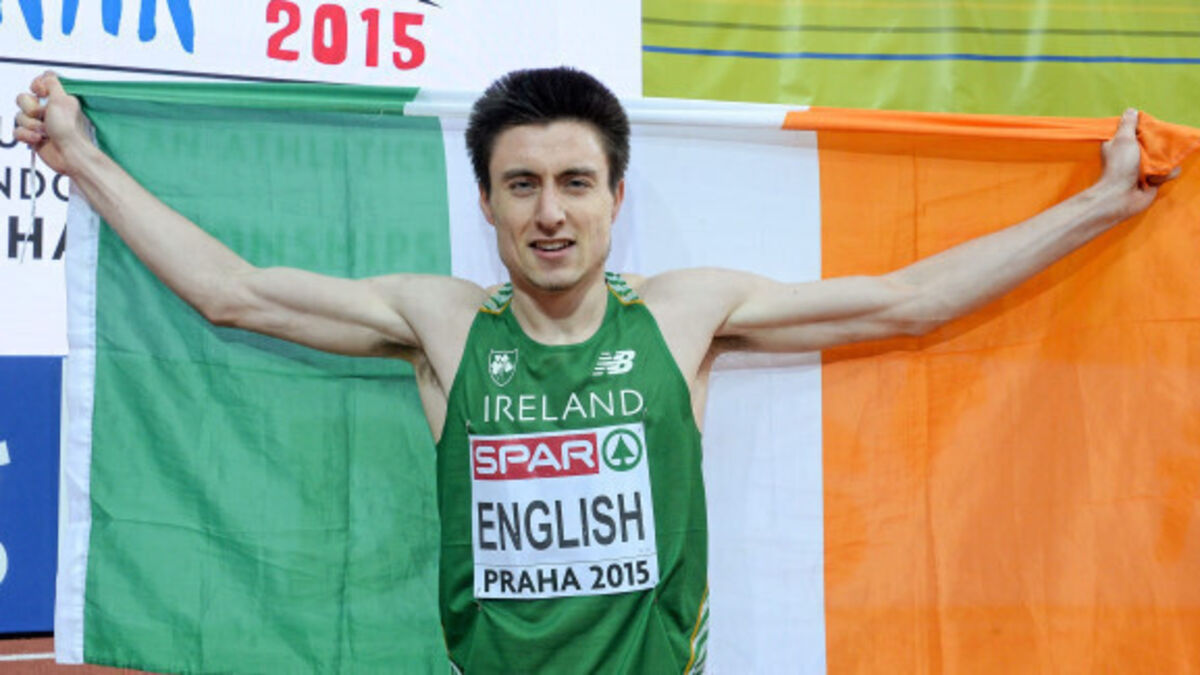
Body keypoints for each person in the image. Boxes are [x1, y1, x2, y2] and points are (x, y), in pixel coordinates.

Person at [14, 67, 1177, 673]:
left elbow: (907, 298)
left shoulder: (685, 314)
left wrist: (1100, 204)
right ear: (487, 203)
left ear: (617, 195)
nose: (551, 213)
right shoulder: (442, 323)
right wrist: (80, 161)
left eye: (576, 183)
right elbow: (232, 291)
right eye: (521, 185)